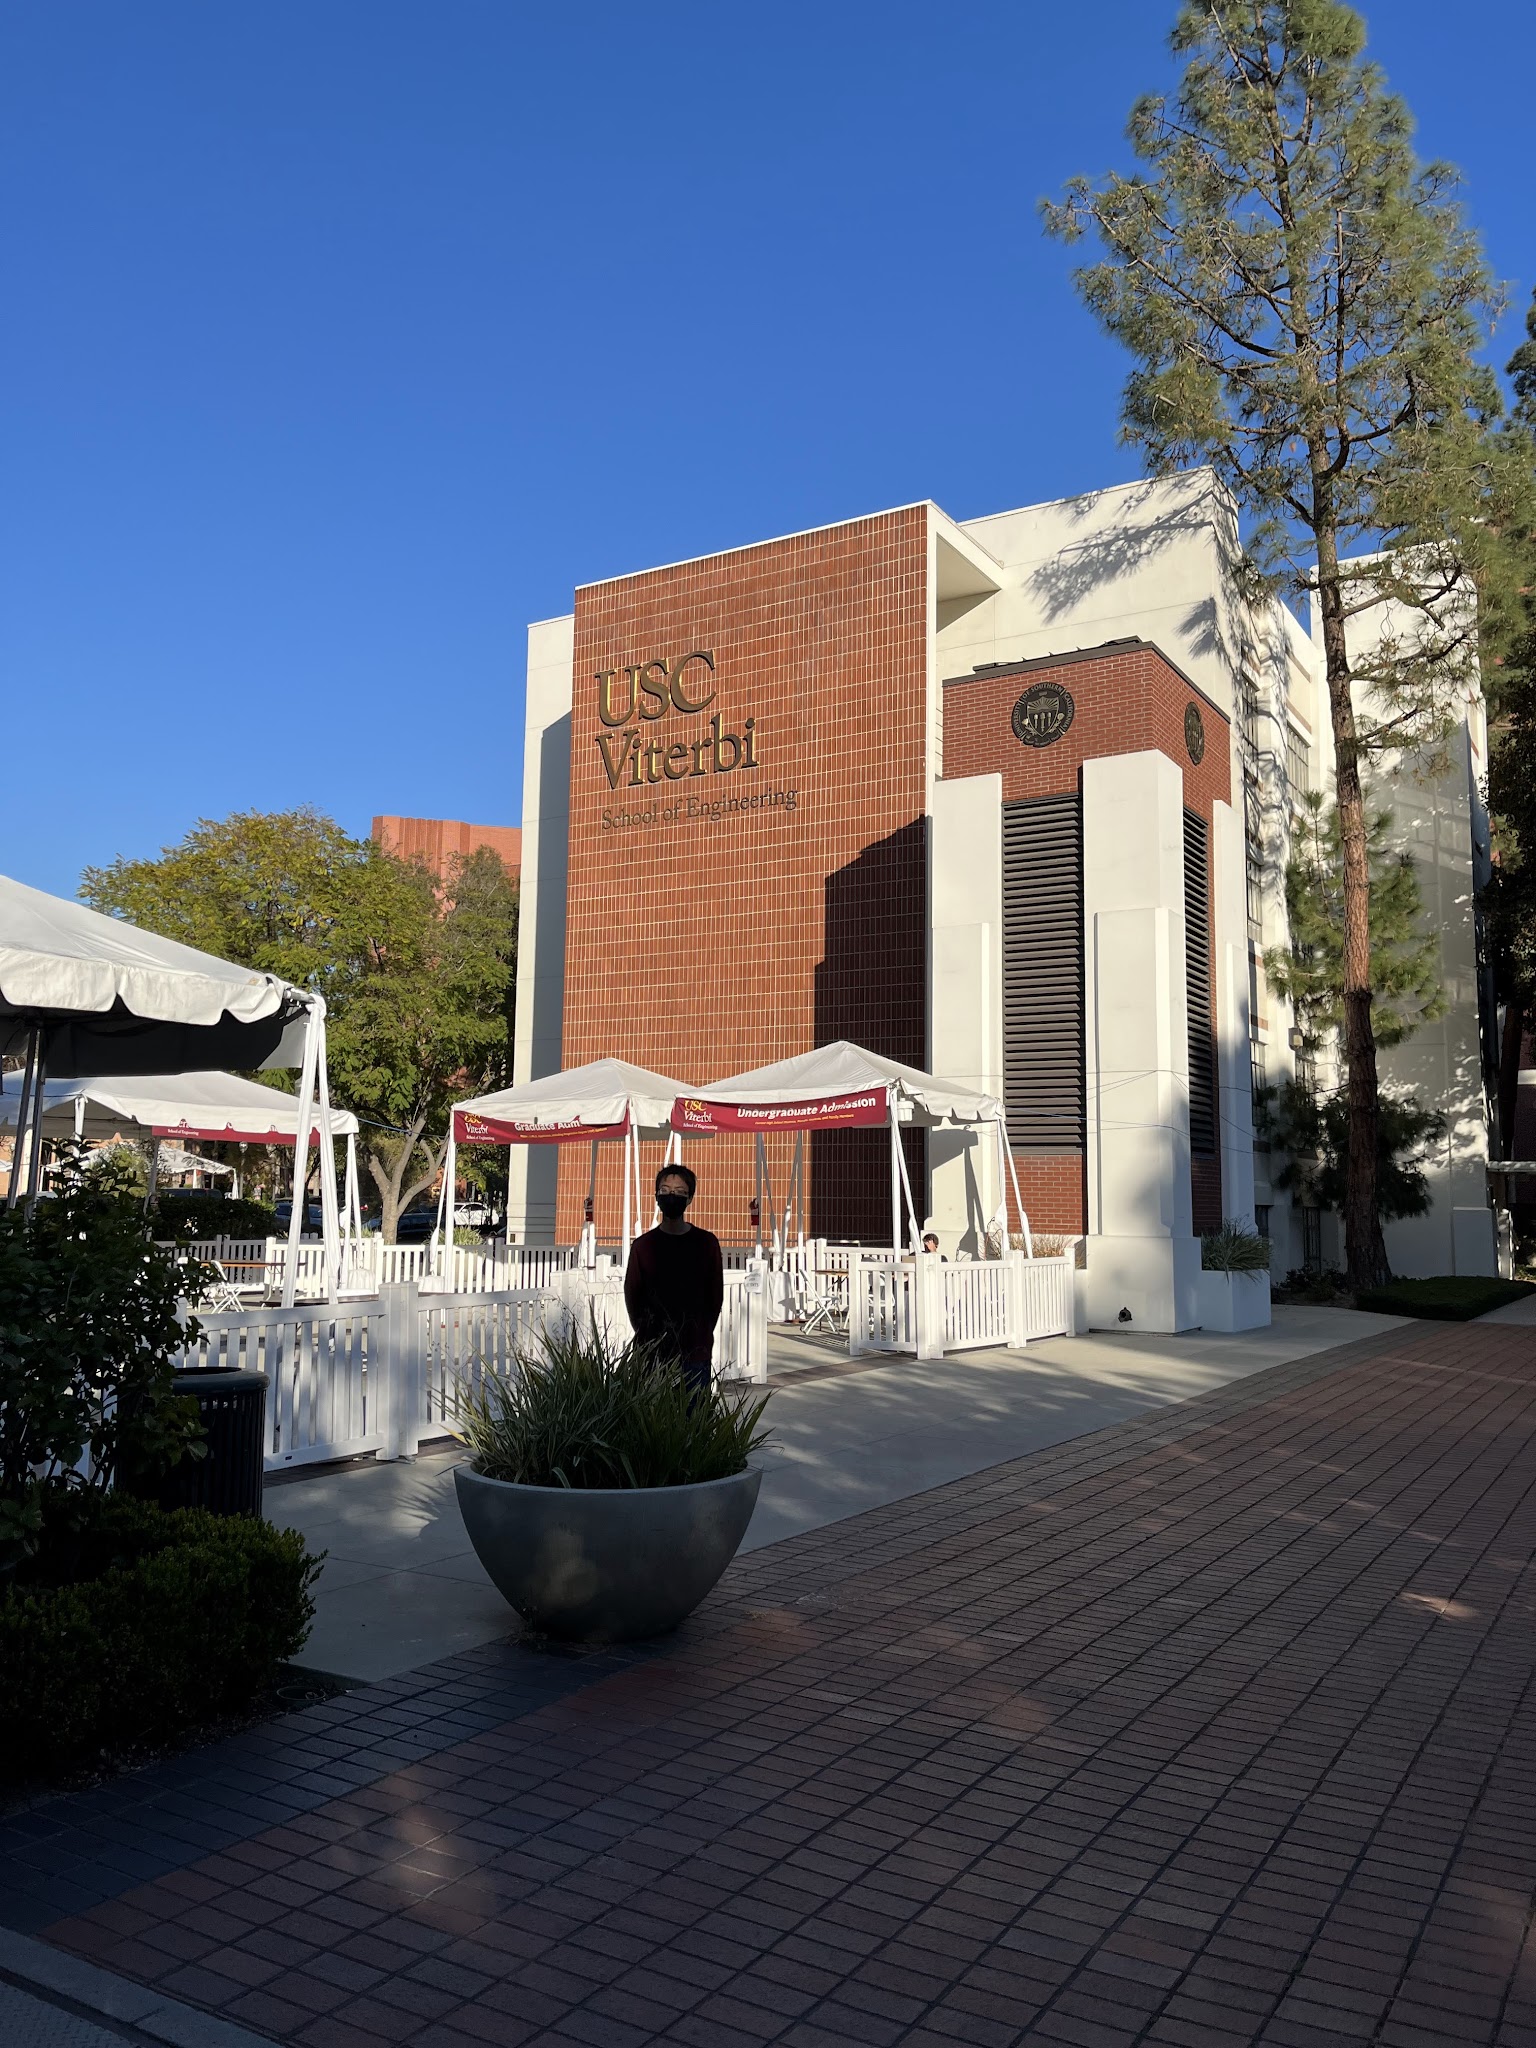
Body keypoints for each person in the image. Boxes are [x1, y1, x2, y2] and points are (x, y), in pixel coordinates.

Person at [623, 1164, 723, 1395]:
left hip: (694, 1351)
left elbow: (714, 1298)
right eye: (665, 1190)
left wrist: (701, 1333)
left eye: (679, 1192)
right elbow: (633, 1297)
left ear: (689, 1199)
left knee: (693, 1422)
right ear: (656, 1196)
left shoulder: (706, 1243)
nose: (672, 1196)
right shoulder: (643, 1246)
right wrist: (648, 1334)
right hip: (653, 1351)